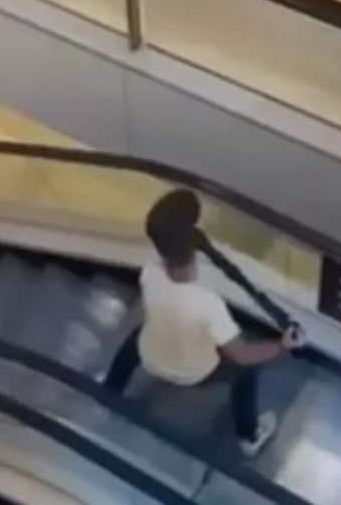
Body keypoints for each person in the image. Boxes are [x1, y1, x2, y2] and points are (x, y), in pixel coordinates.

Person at [104, 189, 305, 457]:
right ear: (192, 245)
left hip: (149, 356)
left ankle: (107, 392)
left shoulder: (149, 274)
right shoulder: (208, 303)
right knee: (245, 372)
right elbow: (242, 355)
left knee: (135, 340)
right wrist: (282, 345)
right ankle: (249, 437)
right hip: (193, 373)